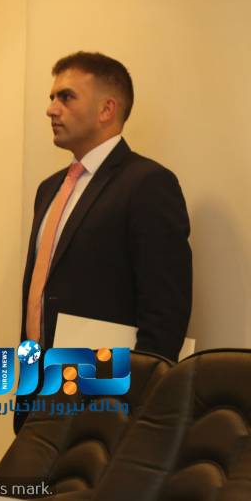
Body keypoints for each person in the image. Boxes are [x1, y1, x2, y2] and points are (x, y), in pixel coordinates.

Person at [20, 52, 192, 358]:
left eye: (66, 97)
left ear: (106, 109)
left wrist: (139, 382)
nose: (51, 109)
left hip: (105, 380)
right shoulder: (49, 189)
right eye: (52, 98)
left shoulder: (148, 184)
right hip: (38, 374)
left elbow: (165, 313)